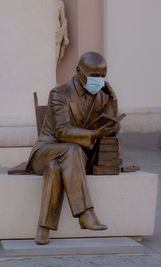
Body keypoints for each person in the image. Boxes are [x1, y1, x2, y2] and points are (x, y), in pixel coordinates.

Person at [25, 52, 120, 245]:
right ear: (78, 71)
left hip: (71, 160)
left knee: (55, 167)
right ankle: (85, 212)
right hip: (46, 150)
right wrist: (94, 135)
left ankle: (43, 228)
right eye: (94, 75)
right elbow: (62, 132)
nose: (99, 80)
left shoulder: (101, 97)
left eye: (103, 76)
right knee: (70, 151)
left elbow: (111, 129)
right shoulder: (59, 93)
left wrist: (113, 103)